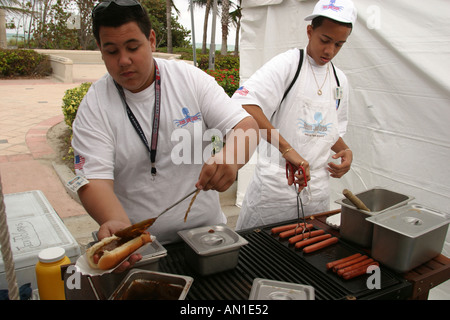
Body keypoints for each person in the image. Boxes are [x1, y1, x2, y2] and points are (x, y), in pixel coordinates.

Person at [71, 0, 258, 269]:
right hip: (140, 248)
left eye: (133, 47)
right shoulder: (95, 106)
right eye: (111, 51)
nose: (124, 60)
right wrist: (116, 224)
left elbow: (246, 126)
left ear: (152, 40)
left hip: (206, 238)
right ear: (100, 50)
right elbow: (92, 179)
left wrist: (230, 157)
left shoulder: (190, 79)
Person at [232, 0, 356, 230]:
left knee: (306, 254)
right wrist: (287, 149)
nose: (330, 51)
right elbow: (244, 102)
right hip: (276, 186)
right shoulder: (289, 64)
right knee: (260, 252)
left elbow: (329, 130)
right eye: (325, 40)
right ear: (310, 31)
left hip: (316, 187)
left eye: (339, 44)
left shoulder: (340, 80)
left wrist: (344, 150)